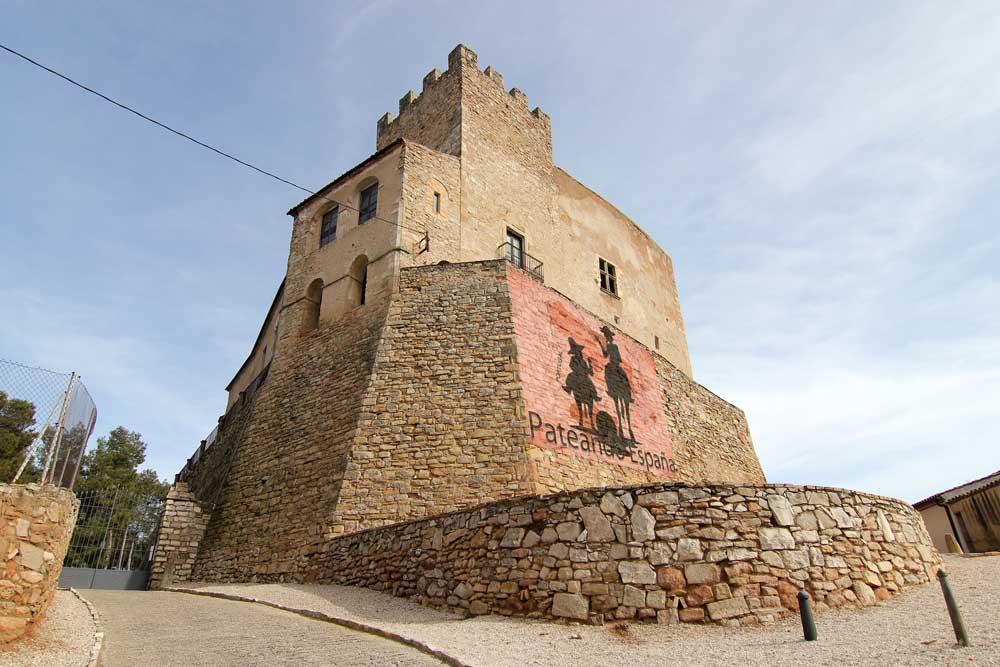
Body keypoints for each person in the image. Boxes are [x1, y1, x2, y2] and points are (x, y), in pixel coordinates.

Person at [595, 325, 634, 440]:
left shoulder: (615, 346)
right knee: (607, 372)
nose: (608, 338)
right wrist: (600, 344)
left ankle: (629, 394)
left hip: (616, 365)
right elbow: (605, 355)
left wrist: (614, 360)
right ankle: (611, 390)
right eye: (606, 337)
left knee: (624, 377)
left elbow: (619, 359)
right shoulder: (607, 345)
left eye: (608, 337)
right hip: (611, 365)